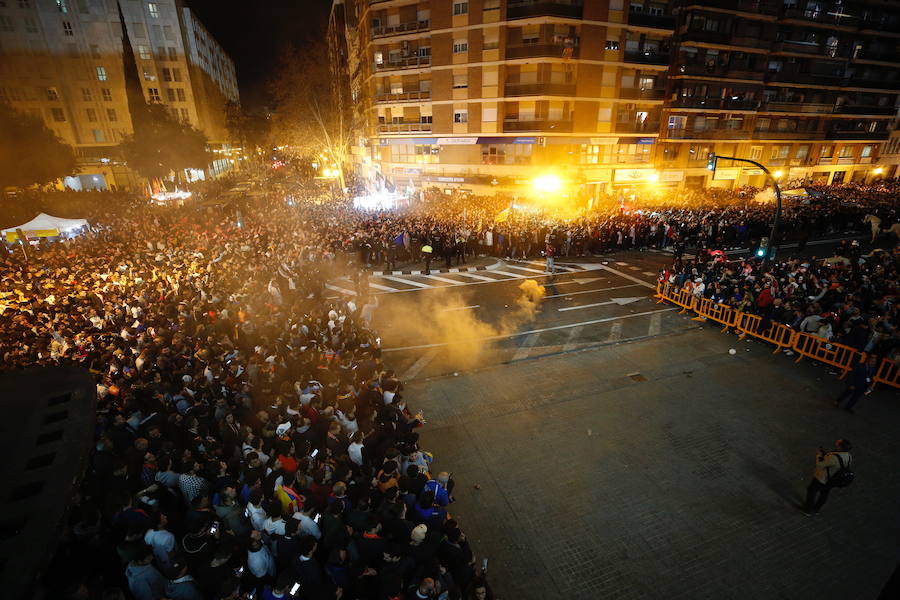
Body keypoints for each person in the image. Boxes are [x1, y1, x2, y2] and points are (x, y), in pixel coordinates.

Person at [803, 439, 853, 516]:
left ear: (840, 447)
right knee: (824, 493)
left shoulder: (834, 457)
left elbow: (820, 464)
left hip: (823, 478)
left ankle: (808, 510)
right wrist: (825, 454)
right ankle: (816, 509)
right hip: (833, 479)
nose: (836, 442)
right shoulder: (849, 456)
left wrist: (818, 455)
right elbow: (835, 462)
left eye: (838, 442)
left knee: (811, 491)